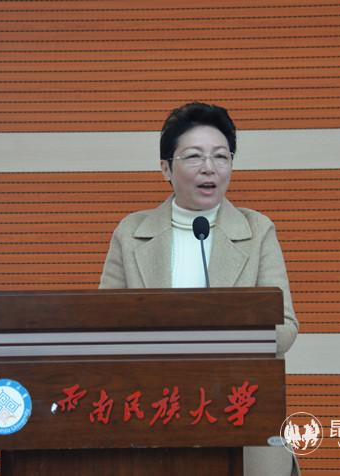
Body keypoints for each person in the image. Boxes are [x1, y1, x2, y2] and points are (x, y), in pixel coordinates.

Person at [99, 102, 300, 476]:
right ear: (166, 168)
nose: (210, 167)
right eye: (194, 156)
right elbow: (103, 326)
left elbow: (285, 327)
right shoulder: (131, 233)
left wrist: (215, 338)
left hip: (240, 411)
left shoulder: (258, 231)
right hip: (154, 410)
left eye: (221, 156)